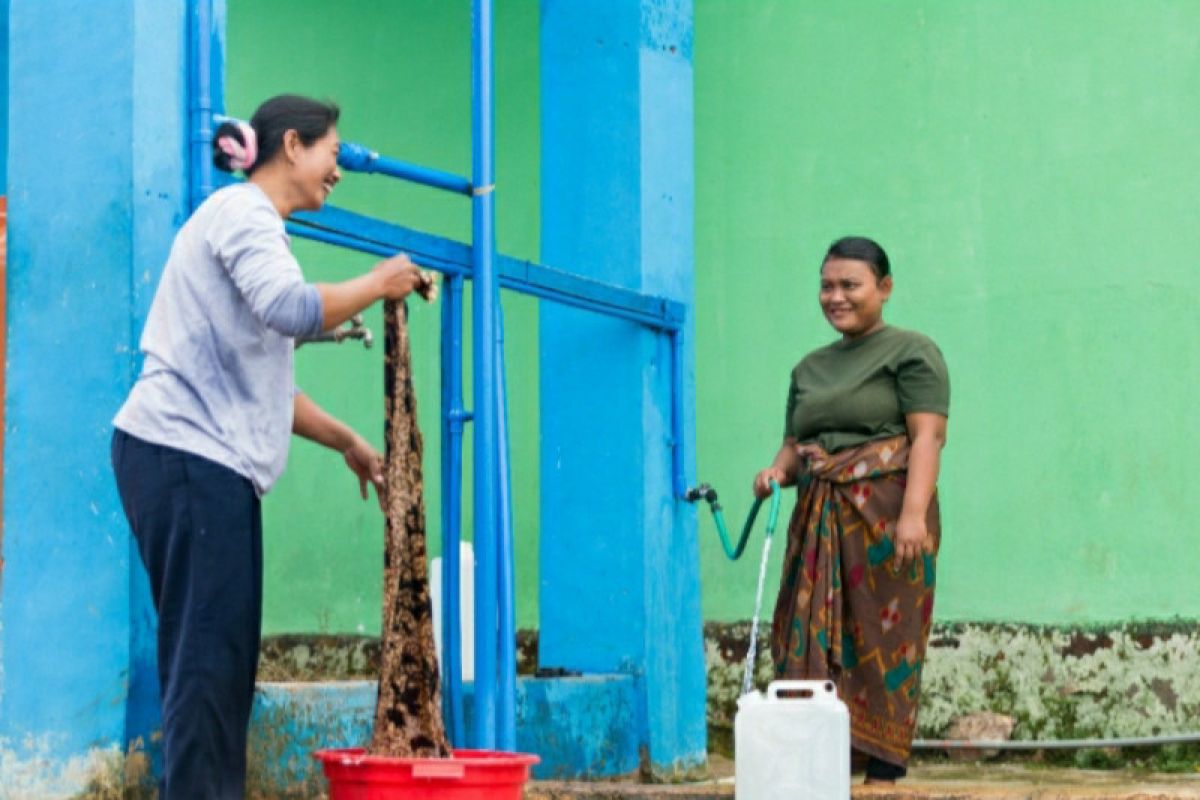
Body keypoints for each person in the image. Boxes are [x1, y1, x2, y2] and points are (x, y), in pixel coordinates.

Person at [111, 94, 434, 798]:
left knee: (220, 667)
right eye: (332, 154)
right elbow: (291, 310)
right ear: (293, 144)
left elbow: (261, 388)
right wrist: (379, 281)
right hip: (186, 458)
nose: (338, 171)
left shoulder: (252, 227)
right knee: (205, 665)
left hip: (201, 463)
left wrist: (345, 439)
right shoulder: (242, 214)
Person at [752, 236, 949, 785]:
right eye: (827, 285)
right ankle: (818, 771)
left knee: (884, 640)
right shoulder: (808, 368)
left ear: (883, 289)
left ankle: (883, 774)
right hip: (819, 520)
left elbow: (927, 437)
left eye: (850, 285)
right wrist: (776, 472)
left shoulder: (912, 352)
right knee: (809, 637)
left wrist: (914, 514)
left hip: (888, 518)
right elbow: (795, 444)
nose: (835, 296)